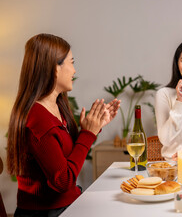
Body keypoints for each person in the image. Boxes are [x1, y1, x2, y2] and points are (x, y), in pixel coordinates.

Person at [7, 33, 121, 217]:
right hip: (46, 213)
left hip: (67, 205)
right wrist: (88, 135)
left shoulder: (56, 106)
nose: (75, 70)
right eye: (72, 62)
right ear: (55, 68)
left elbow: (64, 156)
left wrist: (94, 126)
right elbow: (63, 181)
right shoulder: (38, 119)